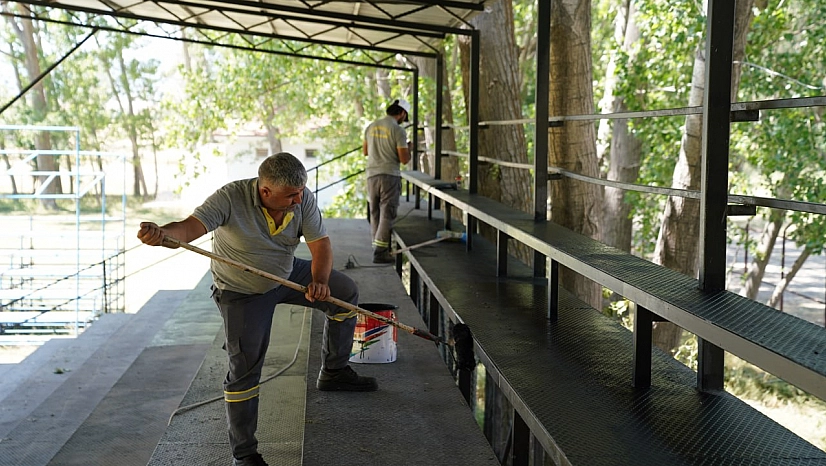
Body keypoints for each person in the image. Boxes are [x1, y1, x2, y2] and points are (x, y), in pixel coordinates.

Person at [137, 152, 377, 466]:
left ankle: (334, 371)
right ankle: (244, 454)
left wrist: (319, 280)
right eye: (290, 196)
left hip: (286, 273)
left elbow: (321, 245)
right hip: (242, 292)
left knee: (344, 292)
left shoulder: (301, 198)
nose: (298, 200)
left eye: (300, 193)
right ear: (265, 192)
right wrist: (163, 236)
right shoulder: (230, 197)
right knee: (244, 369)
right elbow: (186, 230)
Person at [363, 98, 412, 263]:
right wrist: (409, 148)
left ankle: (376, 246)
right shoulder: (398, 130)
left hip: (372, 175)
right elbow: (404, 159)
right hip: (389, 175)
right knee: (387, 212)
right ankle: (381, 251)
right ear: (402, 113)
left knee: (375, 211)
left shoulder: (371, 126)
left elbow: (365, 151)